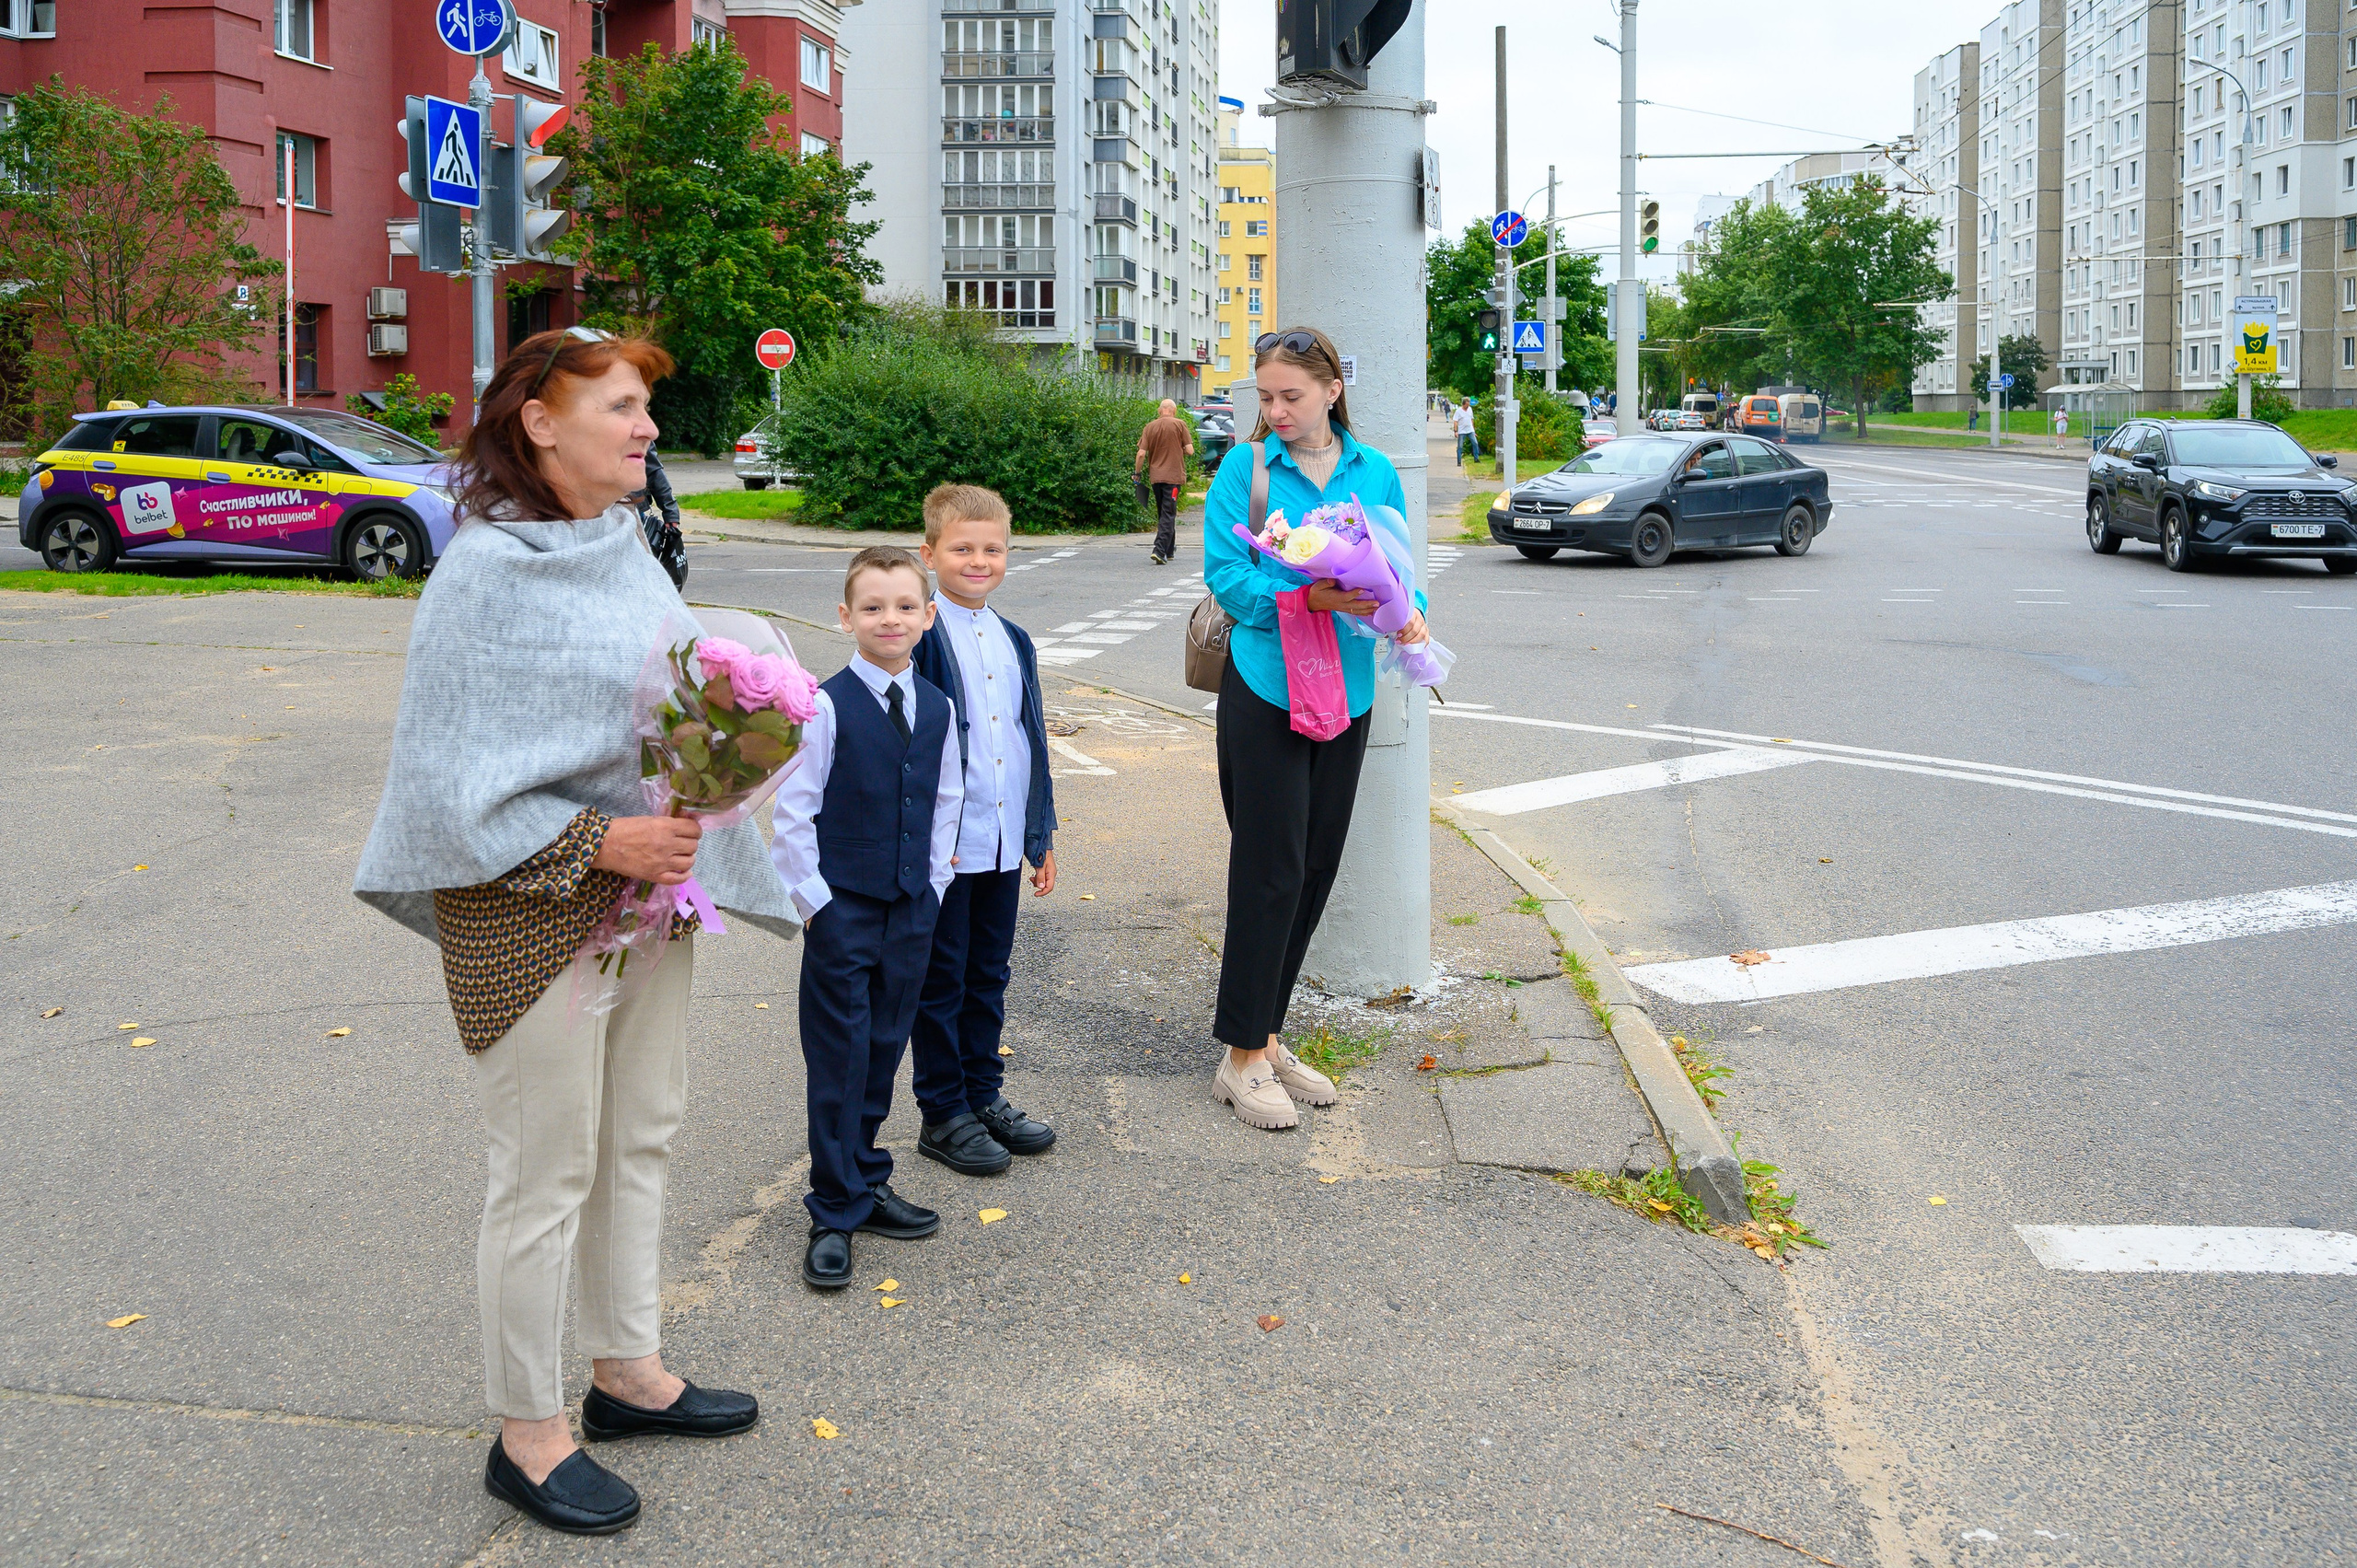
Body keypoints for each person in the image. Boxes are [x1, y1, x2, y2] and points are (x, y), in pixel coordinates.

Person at [354, 326, 800, 1538]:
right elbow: (447, 778)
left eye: (646, 406)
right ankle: (528, 1429)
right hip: (531, 910)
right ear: (539, 422)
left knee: (641, 1136)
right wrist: (603, 841)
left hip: (653, 901)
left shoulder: (623, 550)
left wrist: (728, 754)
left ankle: (627, 1371)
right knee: (544, 1171)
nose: (647, 427)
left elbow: (663, 704)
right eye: (620, 405)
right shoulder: (484, 577)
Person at [1200, 325, 1431, 1132]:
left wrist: (1410, 618)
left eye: (1290, 396)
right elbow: (1227, 576)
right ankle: (1238, 1058)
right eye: (1265, 398)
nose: (1276, 411)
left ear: (1333, 389)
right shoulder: (1247, 467)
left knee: (1315, 869)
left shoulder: (1376, 472)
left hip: (1350, 692)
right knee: (1270, 867)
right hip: (1266, 686)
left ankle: (1266, 1034)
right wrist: (1307, 600)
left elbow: (1401, 567)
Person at [770, 546, 962, 1290]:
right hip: (842, 908)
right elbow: (795, 811)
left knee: (884, 1044)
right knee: (840, 1057)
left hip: (912, 905)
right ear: (846, 617)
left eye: (906, 606)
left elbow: (947, 798)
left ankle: (868, 1175)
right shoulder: (823, 705)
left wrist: (936, 884)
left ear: (928, 616)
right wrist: (815, 905)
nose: (891, 619)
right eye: (874, 607)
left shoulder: (938, 706)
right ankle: (833, 1206)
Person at [908, 483, 1060, 1176]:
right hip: (945, 847)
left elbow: (1031, 740)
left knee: (988, 975)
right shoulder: (919, 636)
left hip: (1001, 843)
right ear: (929, 552)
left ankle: (982, 1093)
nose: (979, 560)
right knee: (940, 980)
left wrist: (1040, 832)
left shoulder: (1014, 638)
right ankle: (943, 1112)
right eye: (962, 548)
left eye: (992, 549)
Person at [1135, 399, 1196, 565]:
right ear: (1174, 411)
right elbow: (1190, 450)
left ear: (1159, 410)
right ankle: (1159, 550)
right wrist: (1180, 449)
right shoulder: (1180, 424)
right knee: (1169, 513)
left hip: (1156, 478)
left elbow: (1141, 454)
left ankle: (1169, 549)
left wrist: (1137, 474)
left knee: (1164, 512)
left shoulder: (1149, 427)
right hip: (1173, 478)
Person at [635, 447, 688, 589]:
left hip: (631, 511)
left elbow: (653, 469)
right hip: (586, 513)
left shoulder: (635, 427)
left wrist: (670, 511)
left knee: (638, 572)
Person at [1452, 398, 1479, 466]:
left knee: (1475, 443)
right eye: (1467, 404)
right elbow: (1455, 421)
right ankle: (1459, 461)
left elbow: (1472, 419)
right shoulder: (1458, 411)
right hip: (1462, 431)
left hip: (1470, 430)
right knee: (1460, 446)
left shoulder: (1470, 409)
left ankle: (1476, 458)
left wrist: (1473, 430)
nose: (1468, 406)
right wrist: (1455, 431)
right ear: (1464, 404)